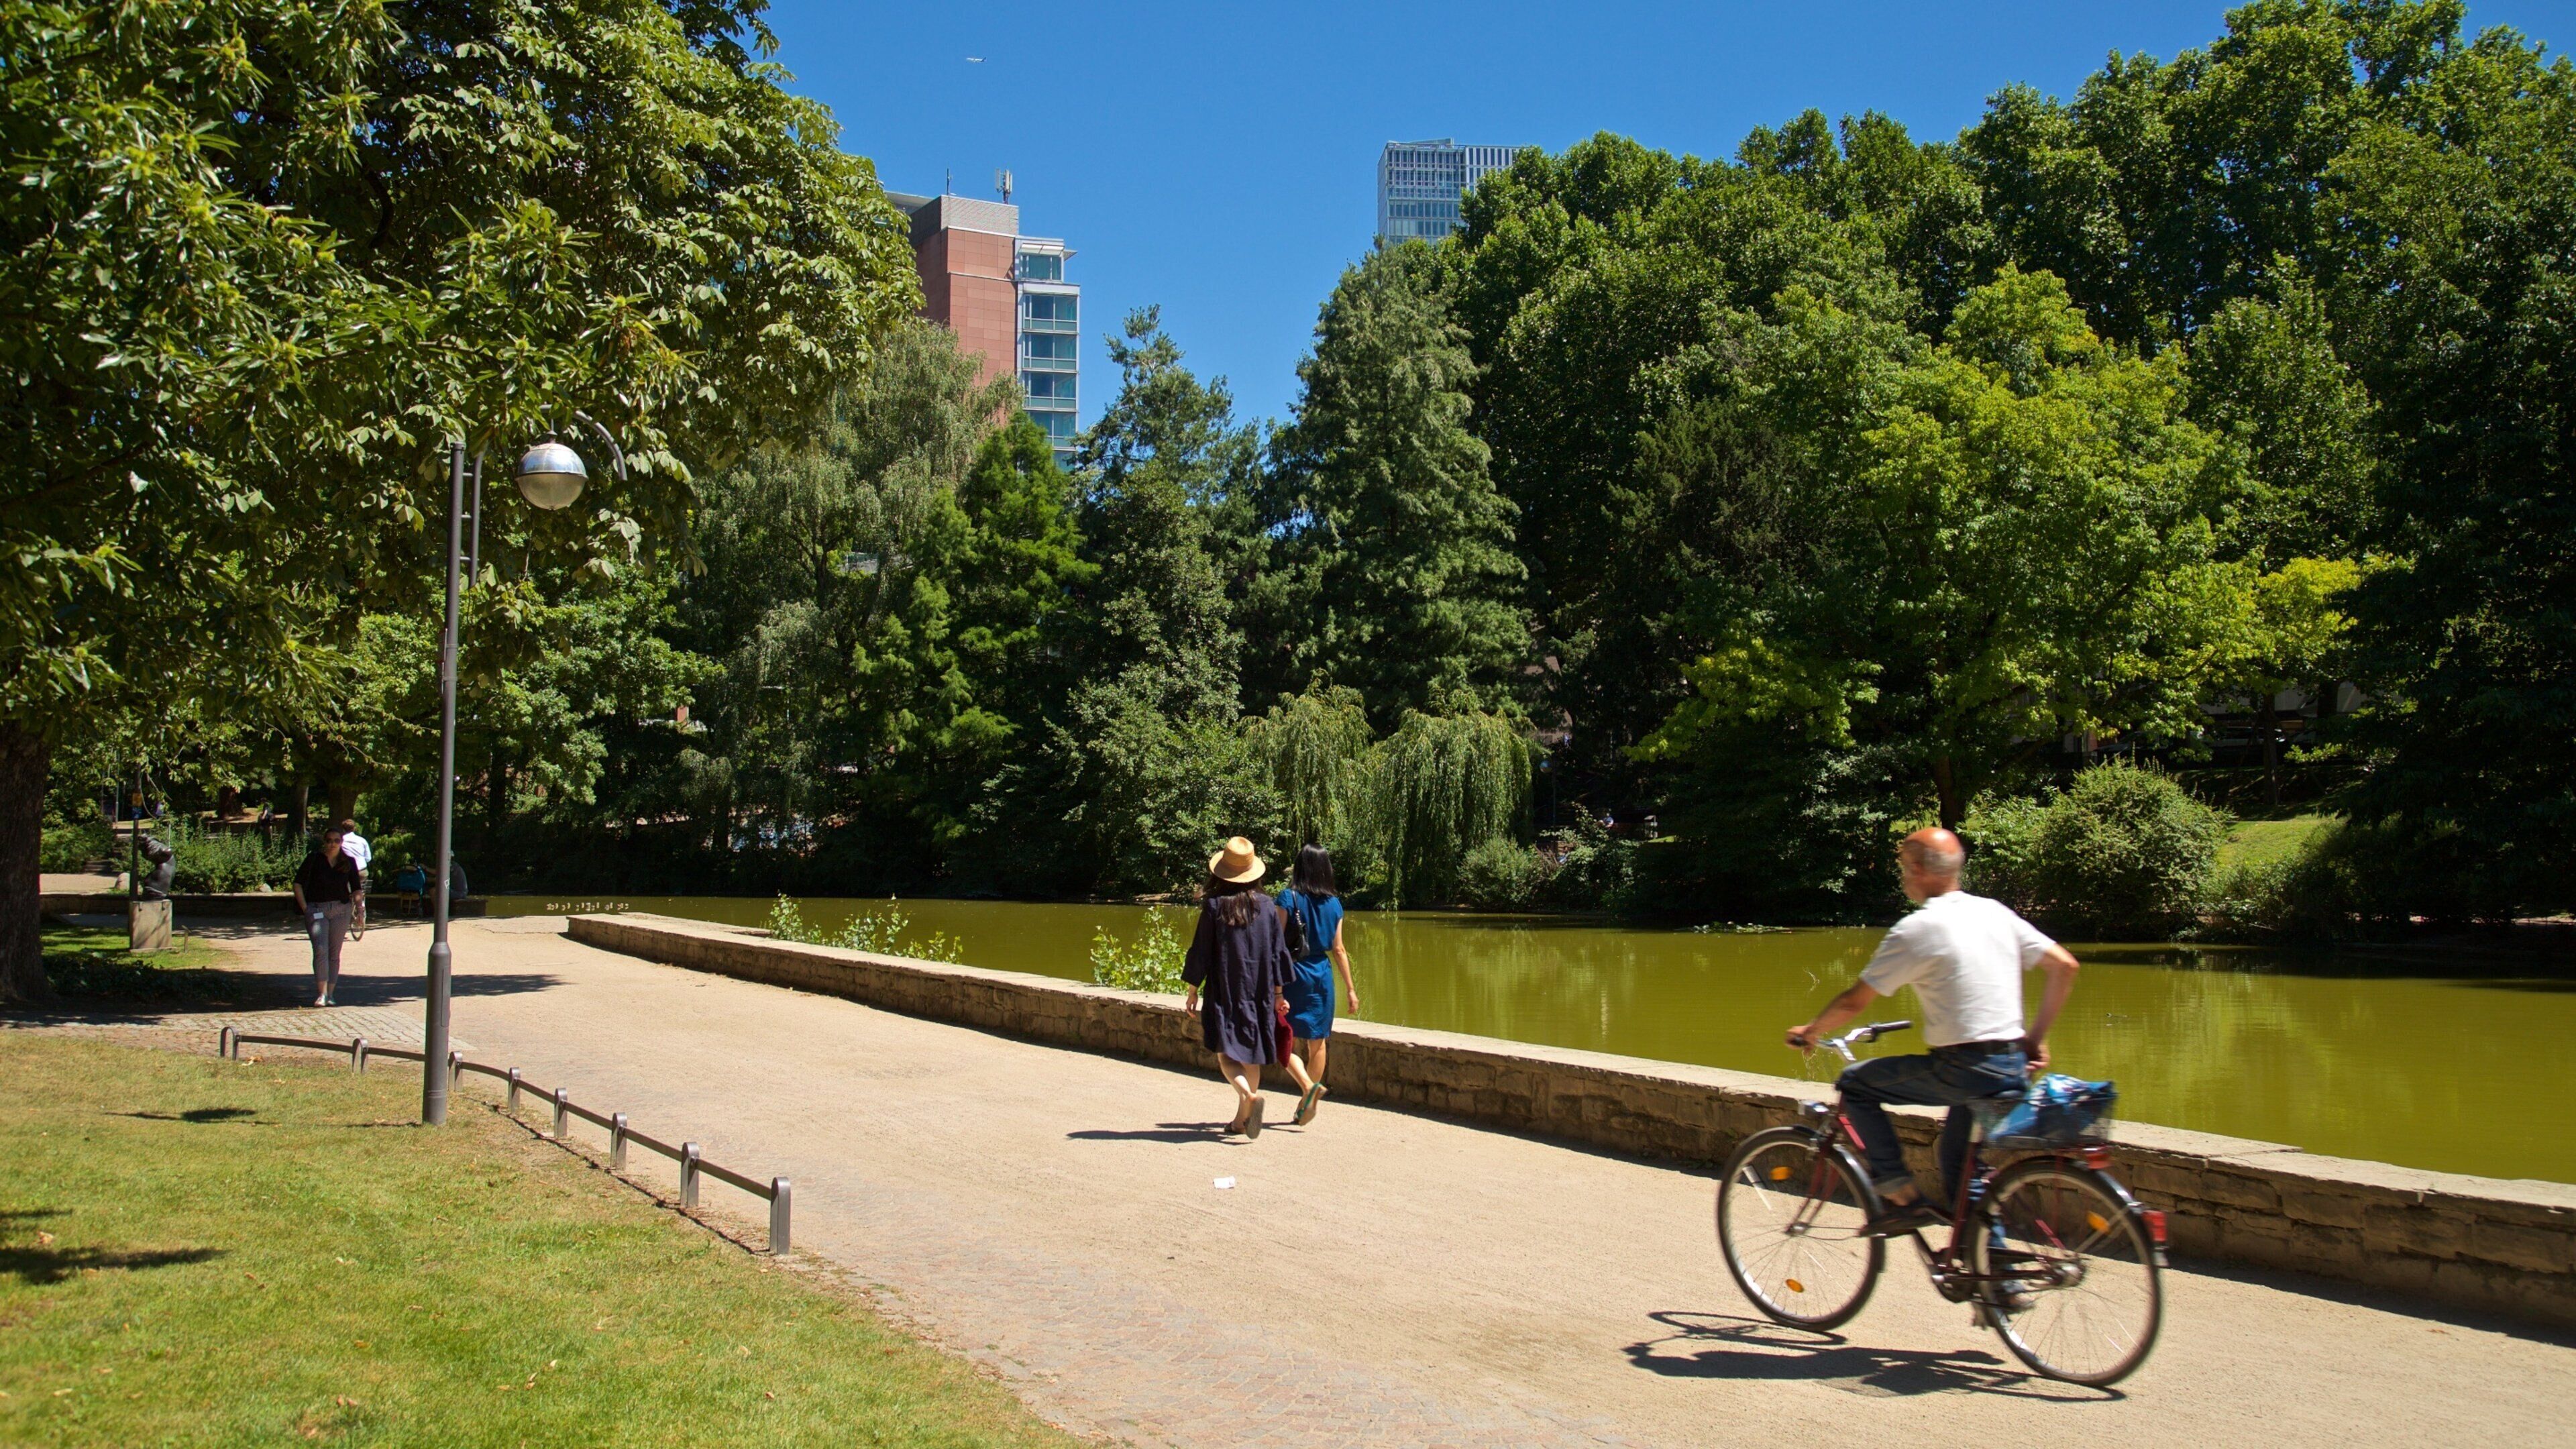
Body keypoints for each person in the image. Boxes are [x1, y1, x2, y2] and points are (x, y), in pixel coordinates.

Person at [1785, 827, 2080, 1235]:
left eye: (1905, 867)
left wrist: (1812, 1030)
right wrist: (2035, 1037)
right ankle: (1994, 1278)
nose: (1903, 876)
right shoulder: (1994, 911)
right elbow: (2065, 966)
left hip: (1964, 1067)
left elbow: (1855, 1002)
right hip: (2013, 1065)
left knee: (1855, 1085)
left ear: (1919, 870)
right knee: (1961, 1166)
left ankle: (1901, 1197)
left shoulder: (1917, 929)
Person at [1181, 837, 1294, 1138]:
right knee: (1252, 1054)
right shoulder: (1268, 906)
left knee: (1227, 1055)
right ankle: (1241, 1120)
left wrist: (1193, 989)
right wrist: (1279, 995)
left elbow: (1201, 950)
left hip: (1225, 991)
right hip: (1259, 993)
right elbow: (1277, 952)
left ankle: (1248, 1097)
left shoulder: (1215, 906)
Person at [1274, 843, 1360, 1126]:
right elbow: (1339, 949)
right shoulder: (1335, 904)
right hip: (1322, 975)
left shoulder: (1288, 897)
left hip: (1293, 973)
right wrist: (1350, 989)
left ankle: (1307, 1089)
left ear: (1300, 867)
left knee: (1280, 1038)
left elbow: (1275, 944)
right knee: (1318, 1042)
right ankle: (1306, 1102)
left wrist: (1273, 984)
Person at [292, 824, 366, 1008]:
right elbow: (298, 883)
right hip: (317, 909)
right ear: (324, 842)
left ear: (341, 842)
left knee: (334, 953)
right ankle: (321, 994)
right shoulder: (314, 859)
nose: (333, 844)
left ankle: (331, 994)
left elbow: (356, 888)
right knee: (321, 950)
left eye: (337, 841)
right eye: (329, 841)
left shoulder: (348, 862)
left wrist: (360, 909)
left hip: (341, 910)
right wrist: (305, 907)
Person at [335, 818, 371, 936]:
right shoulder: (362, 840)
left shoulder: (340, 841)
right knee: (360, 887)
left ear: (343, 829)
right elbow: (368, 858)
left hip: (348, 870)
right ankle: (362, 905)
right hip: (362, 870)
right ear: (354, 828)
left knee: (343, 889)